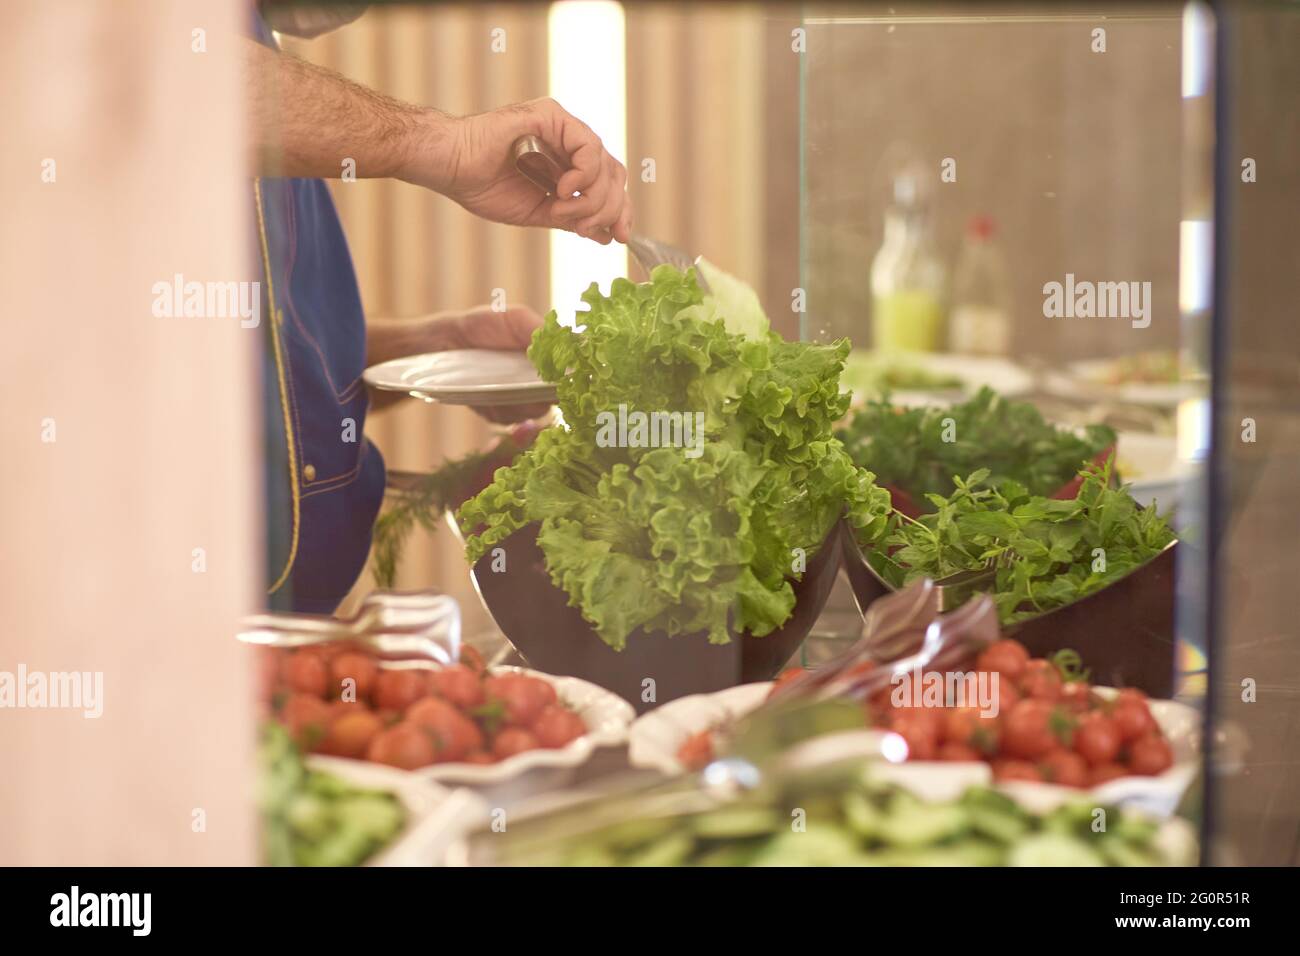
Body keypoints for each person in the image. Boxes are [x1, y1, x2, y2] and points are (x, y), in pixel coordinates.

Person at [246, 5, 632, 613]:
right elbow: (176, 82)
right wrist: (443, 145)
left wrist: (437, 347)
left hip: (295, 634)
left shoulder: (254, 42)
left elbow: (266, 361)